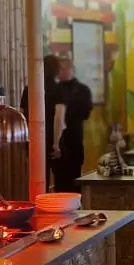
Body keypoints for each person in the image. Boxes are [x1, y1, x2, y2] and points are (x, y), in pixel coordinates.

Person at [47, 56, 92, 192]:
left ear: (72, 69)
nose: (60, 72)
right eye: (59, 69)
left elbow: (85, 114)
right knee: (64, 179)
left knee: (70, 178)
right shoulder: (80, 90)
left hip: (71, 138)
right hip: (65, 138)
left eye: (63, 68)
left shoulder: (80, 90)